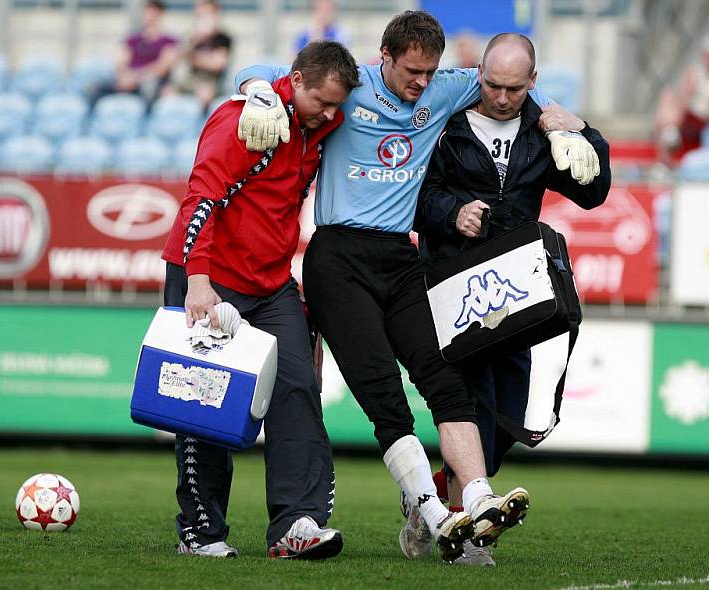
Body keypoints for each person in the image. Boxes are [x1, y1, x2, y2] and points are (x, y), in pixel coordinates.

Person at [231, 10, 599, 564]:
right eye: (411, 71)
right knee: (385, 397)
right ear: (384, 58)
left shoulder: (450, 88)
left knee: (446, 380)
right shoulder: (349, 84)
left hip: (401, 258)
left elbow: (508, 82)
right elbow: (261, 69)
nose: (421, 83)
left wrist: (558, 121)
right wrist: (259, 92)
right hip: (338, 257)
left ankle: (477, 502)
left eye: (430, 72)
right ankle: (432, 515)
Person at [159, 40, 360, 560]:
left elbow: (280, 82)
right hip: (210, 277)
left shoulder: (318, 124)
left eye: (339, 105)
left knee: (298, 387)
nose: (332, 115)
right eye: (323, 102)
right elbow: (200, 200)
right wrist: (197, 281)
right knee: (205, 403)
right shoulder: (242, 122)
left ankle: (298, 524)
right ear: (295, 84)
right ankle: (200, 532)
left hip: (272, 285)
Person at [414, 33, 610, 565]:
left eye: (513, 88)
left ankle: (431, 498)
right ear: (479, 74)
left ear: (533, 82)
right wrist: (453, 212)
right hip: (455, 285)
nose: (501, 97)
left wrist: (582, 131)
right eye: (492, 85)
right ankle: (466, 536)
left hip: (519, 290)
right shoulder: (446, 125)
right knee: (471, 404)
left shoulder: (541, 132)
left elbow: (594, 193)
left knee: (503, 422)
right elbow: (415, 196)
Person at [655, 36, 709, 163]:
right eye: (705, 54)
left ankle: (670, 136)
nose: (706, 58)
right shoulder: (696, 71)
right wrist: (687, 91)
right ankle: (671, 133)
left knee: (666, 118)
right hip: (691, 112)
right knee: (667, 96)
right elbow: (685, 95)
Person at [110, 0, 179, 104]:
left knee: (149, 87)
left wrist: (136, 78)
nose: (150, 15)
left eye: (153, 11)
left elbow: (163, 67)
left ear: (161, 14)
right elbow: (121, 63)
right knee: (95, 87)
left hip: (151, 82)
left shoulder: (169, 41)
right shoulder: (132, 39)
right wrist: (126, 77)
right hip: (128, 80)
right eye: (147, 10)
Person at [168, 0, 233, 109]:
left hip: (211, 81)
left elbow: (217, 65)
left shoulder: (223, 38)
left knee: (205, 94)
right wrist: (196, 40)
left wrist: (194, 58)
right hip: (190, 79)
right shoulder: (192, 36)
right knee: (167, 92)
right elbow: (179, 55)